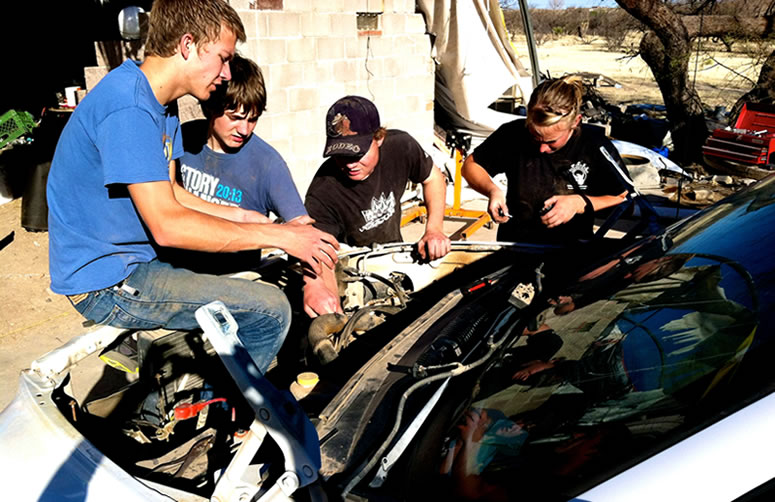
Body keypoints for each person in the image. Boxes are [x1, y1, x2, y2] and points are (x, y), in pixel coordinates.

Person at [46, 0, 338, 373]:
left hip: (132, 262)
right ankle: (231, 417)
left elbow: (172, 194)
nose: (228, 73)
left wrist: (243, 216)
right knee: (272, 310)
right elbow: (168, 226)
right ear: (188, 45)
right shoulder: (129, 109)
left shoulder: (161, 104)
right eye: (223, 57)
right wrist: (278, 236)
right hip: (109, 280)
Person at [302, 95, 451, 317]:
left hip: (395, 258)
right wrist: (324, 295)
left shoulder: (401, 147)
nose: (350, 164)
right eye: (340, 156)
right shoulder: (323, 191)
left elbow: (433, 178)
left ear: (379, 138)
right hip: (354, 272)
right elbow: (318, 253)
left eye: (358, 153)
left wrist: (434, 229)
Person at [162, 54, 311, 274]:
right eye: (235, 117)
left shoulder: (268, 164)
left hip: (236, 277)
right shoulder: (183, 140)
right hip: (176, 271)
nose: (244, 130)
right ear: (210, 108)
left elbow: (302, 227)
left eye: (252, 119)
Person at [462, 75, 632, 245]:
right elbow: (471, 166)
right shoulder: (512, 134)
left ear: (575, 122)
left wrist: (579, 203)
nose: (542, 149)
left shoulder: (593, 144)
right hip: (517, 243)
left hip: (572, 249)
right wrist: (492, 191)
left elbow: (623, 196)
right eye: (535, 137)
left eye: (551, 142)